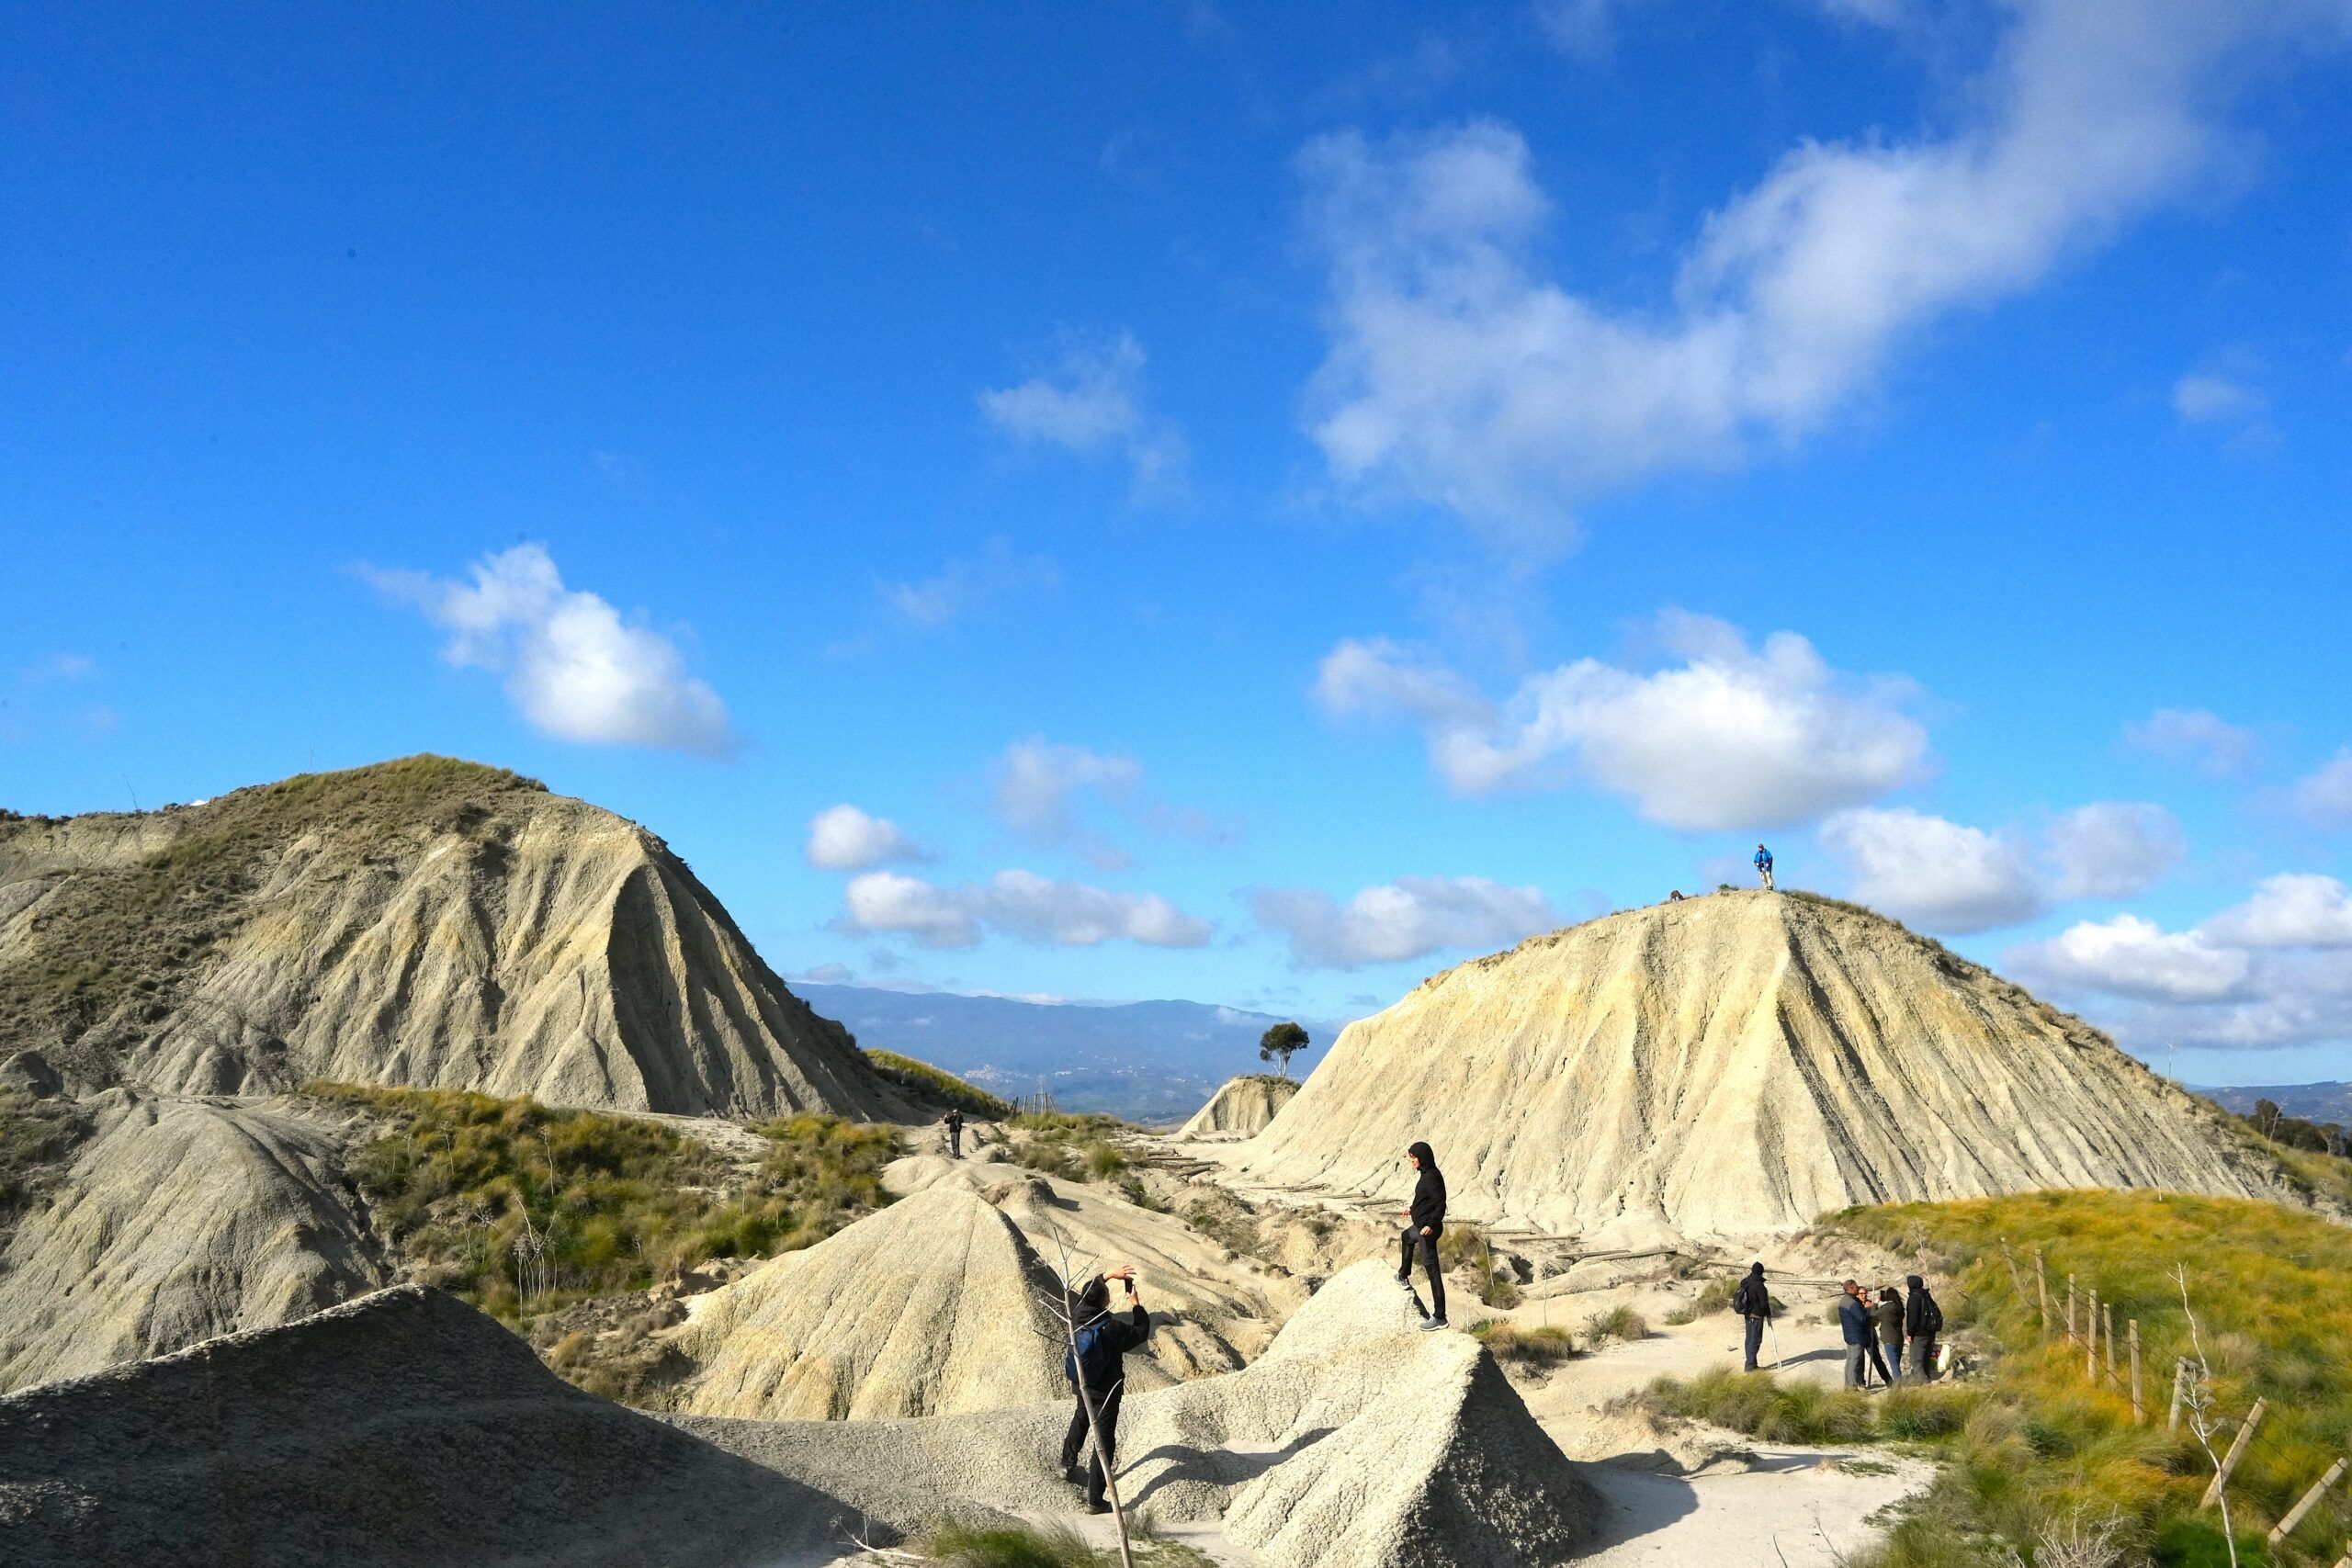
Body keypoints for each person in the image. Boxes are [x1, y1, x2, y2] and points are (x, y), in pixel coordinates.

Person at [1058, 1264, 1151, 1515]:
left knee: (1081, 1417)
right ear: (1105, 1302)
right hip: (1107, 1391)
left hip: (1082, 1383)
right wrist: (1136, 1305)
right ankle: (1095, 1500)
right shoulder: (1111, 1328)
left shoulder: (1077, 1315)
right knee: (1104, 1441)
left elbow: (1087, 1294)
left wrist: (1107, 1276)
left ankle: (1066, 1463)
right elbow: (1141, 1333)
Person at [1394, 1140, 1448, 1330]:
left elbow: (1441, 1203)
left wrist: (1431, 1225)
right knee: (1406, 1237)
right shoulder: (1425, 1175)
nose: (1412, 1161)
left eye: (1414, 1157)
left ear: (1422, 1157)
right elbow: (1424, 1199)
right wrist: (1412, 1208)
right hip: (1420, 1225)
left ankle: (1440, 1317)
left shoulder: (1432, 1177)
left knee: (1432, 1272)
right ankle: (1403, 1275)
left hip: (1428, 1230)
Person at [1731, 1262, 1773, 1371]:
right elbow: (1764, 1303)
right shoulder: (1759, 1285)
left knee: (1749, 1340)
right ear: (1761, 1272)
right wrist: (1768, 1314)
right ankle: (1750, 1366)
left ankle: (1752, 1364)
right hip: (1757, 1316)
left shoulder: (1745, 1282)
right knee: (1755, 1341)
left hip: (1747, 1314)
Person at [1905, 1274, 1944, 1382]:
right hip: (1931, 1333)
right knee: (1925, 1360)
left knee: (1916, 1361)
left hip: (1919, 1334)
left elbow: (1912, 1318)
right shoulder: (1926, 1296)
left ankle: (1924, 1385)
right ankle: (1927, 1379)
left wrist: (1910, 1333)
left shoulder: (1914, 1298)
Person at [1837, 1280, 1871, 1389]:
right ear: (1851, 1288)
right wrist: (1869, 1309)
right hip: (1856, 1336)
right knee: (1855, 1362)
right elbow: (1862, 1319)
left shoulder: (1844, 1300)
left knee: (1850, 1360)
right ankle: (1851, 1387)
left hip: (1849, 1335)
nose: (1857, 1288)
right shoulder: (1852, 1303)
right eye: (1856, 1287)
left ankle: (1848, 1385)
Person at [1872, 1280, 1906, 1387]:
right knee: (1896, 1363)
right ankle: (1898, 1384)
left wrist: (1875, 1303)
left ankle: (1898, 1387)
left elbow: (1873, 1314)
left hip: (1889, 1340)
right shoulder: (1899, 1308)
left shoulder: (1885, 1309)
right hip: (1899, 1339)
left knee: (1894, 1365)